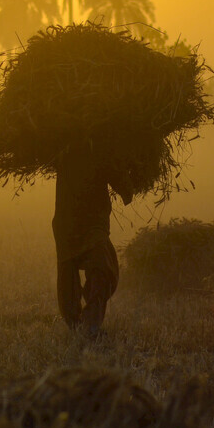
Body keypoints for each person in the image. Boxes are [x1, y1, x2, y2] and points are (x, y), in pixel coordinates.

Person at [52, 143, 132, 336]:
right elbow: (120, 179)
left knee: (74, 269)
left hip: (69, 222)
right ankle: (84, 324)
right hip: (85, 222)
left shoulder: (64, 147)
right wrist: (128, 188)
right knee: (100, 270)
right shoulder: (97, 147)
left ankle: (84, 324)